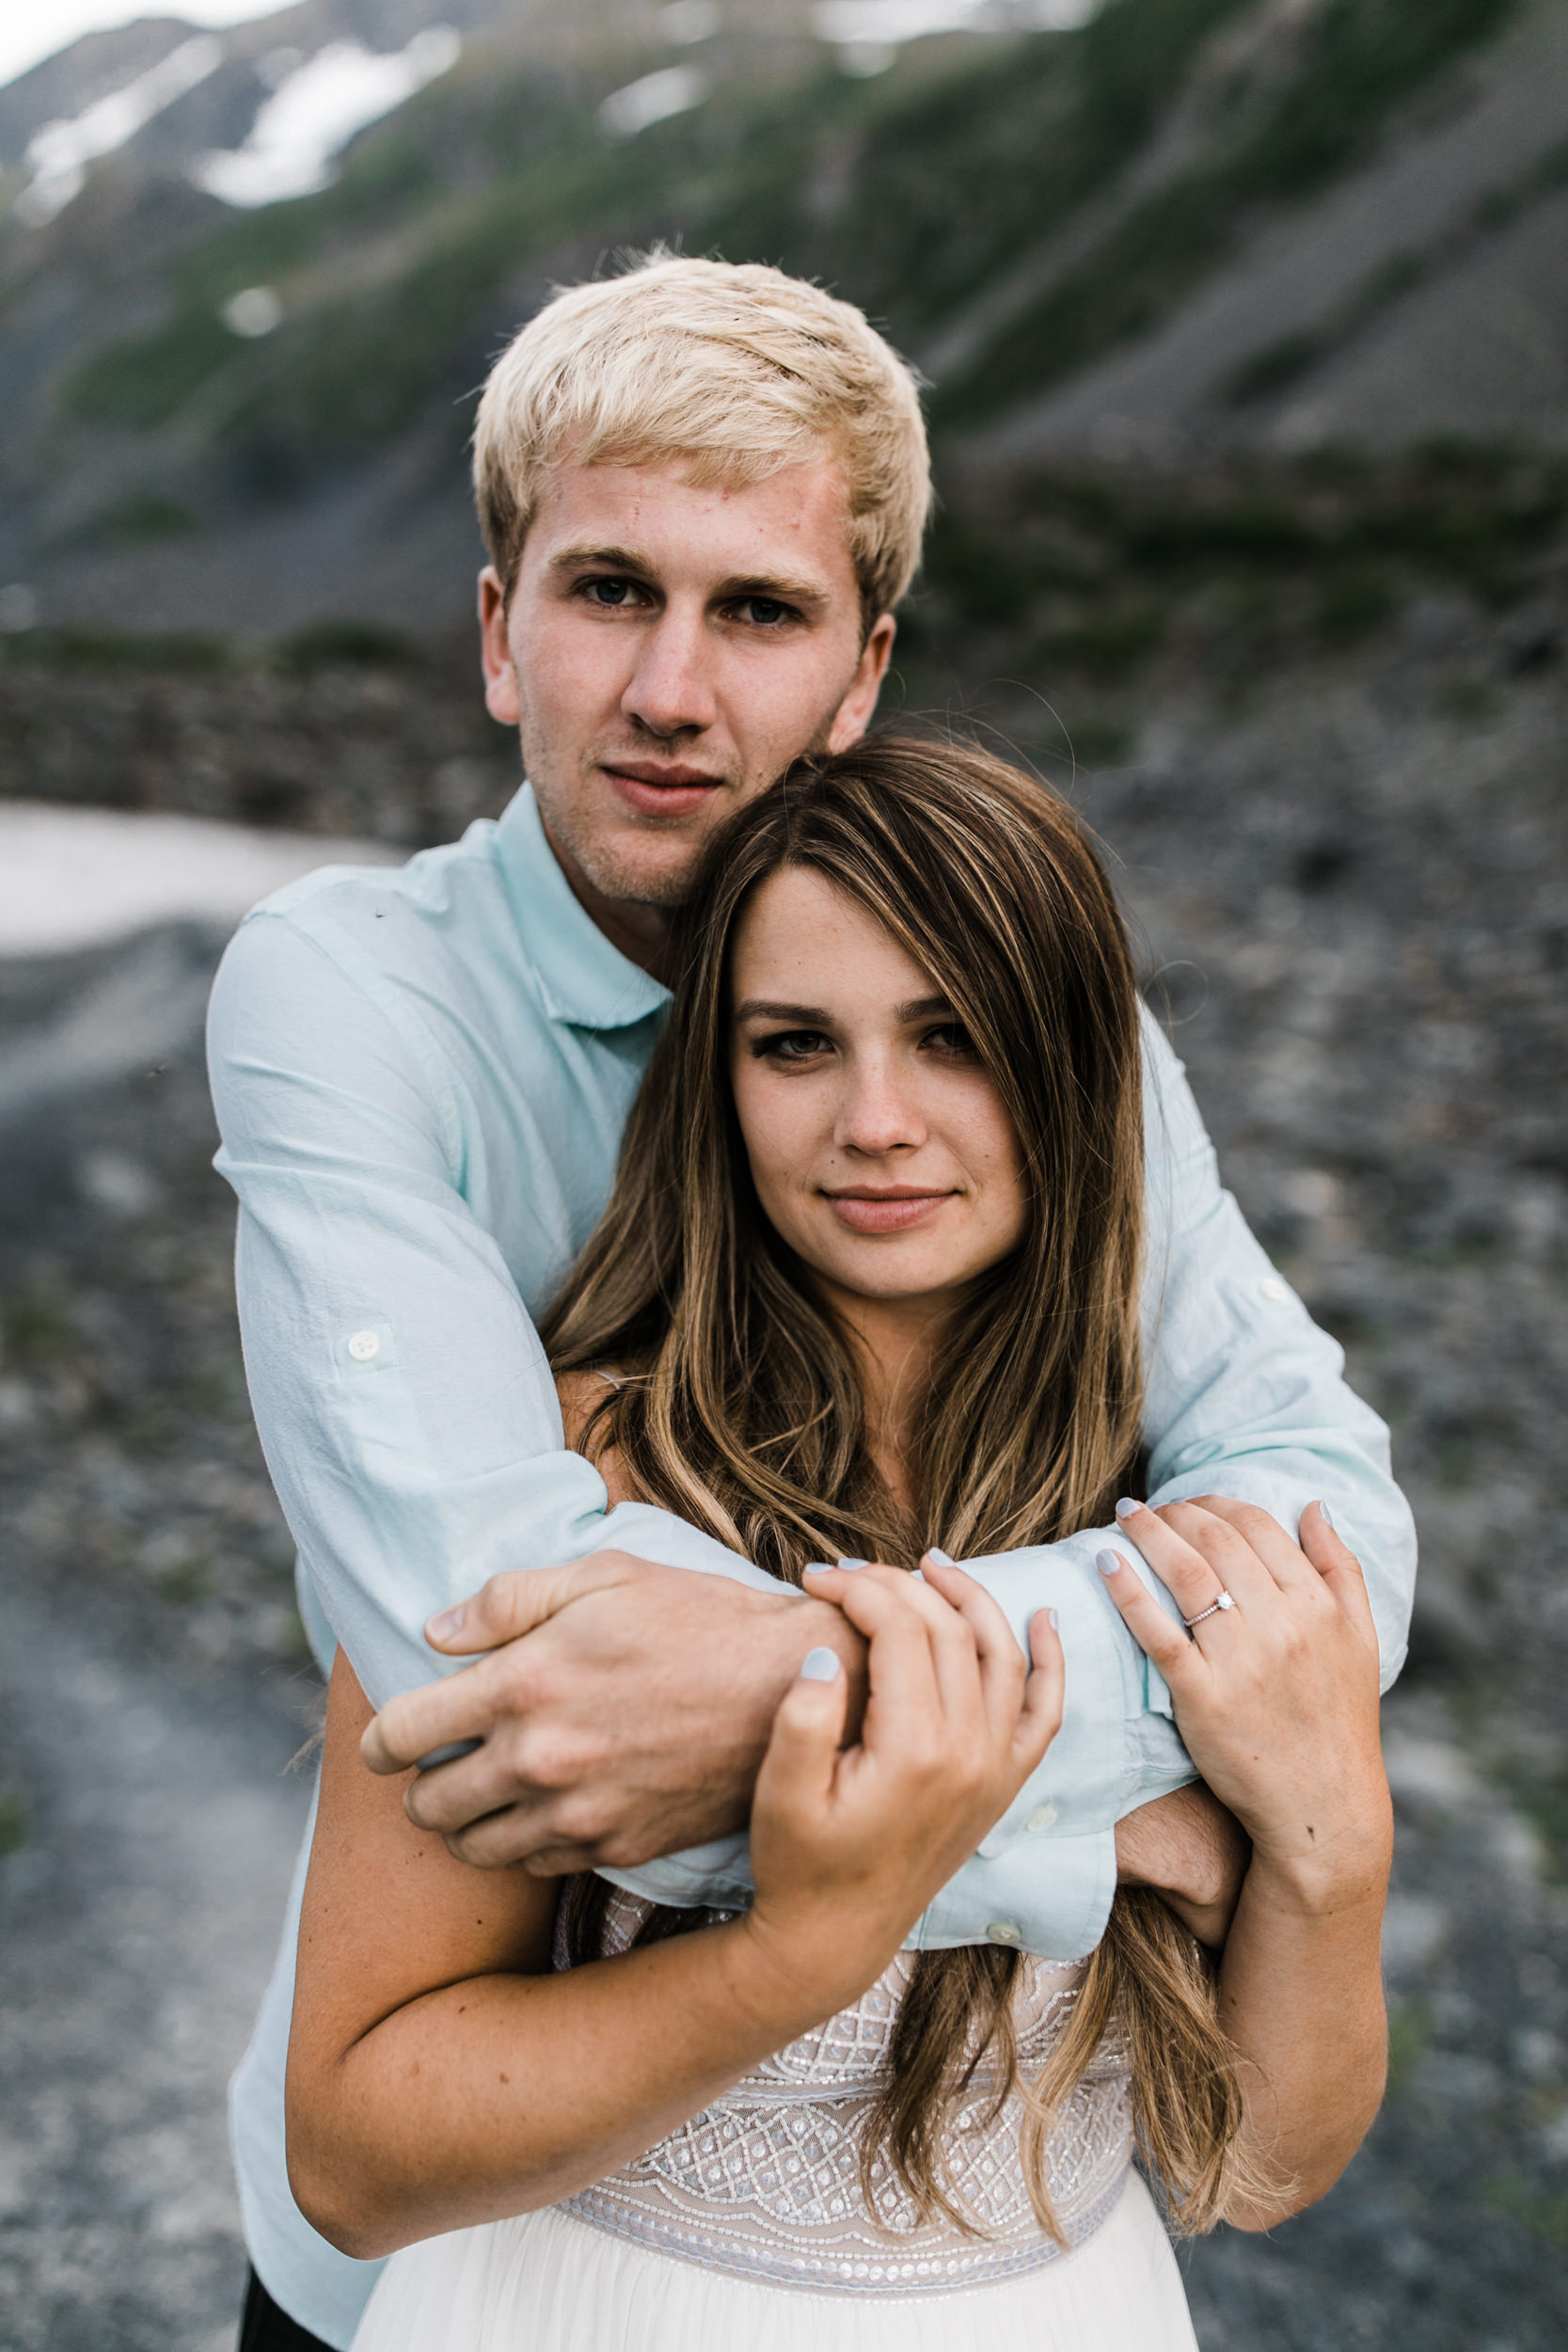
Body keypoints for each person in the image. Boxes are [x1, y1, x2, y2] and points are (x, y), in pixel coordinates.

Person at [209, 255, 1415, 2349]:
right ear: (500, 633)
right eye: (607, 591)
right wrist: (1135, 1811)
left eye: (757, 609)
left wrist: (828, 1716)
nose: (673, 687)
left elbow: (1341, 1544)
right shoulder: (352, 998)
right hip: (469, 2216)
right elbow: (495, 1663)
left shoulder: (1071, 1037)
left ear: (864, 669)